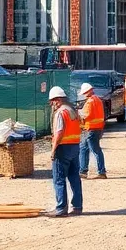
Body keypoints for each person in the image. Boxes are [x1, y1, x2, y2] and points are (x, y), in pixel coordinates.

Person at [48, 85, 83, 217]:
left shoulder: (61, 113)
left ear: (57, 100)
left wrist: (53, 149)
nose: (52, 104)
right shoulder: (72, 110)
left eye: (52, 101)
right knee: (74, 178)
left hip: (63, 148)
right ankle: (77, 207)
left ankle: (61, 208)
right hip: (75, 146)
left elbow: (59, 132)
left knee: (59, 179)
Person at [77, 82, 107, 179]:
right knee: (85, 148)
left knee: (92, 150)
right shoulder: (98, 100)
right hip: (96, 128)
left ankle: (99, 172)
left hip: (90, 128)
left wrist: (78, 112)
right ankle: (83, 171)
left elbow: (86, 115)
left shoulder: (90, 101)